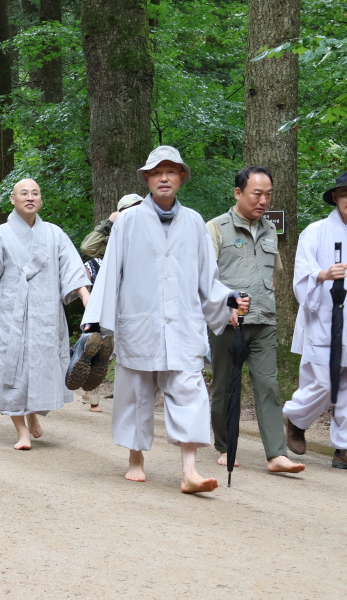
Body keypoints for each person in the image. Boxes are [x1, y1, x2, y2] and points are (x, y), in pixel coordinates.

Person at [81, 145, 250, 494]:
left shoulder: (194, 223)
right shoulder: (127, 221)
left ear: (181, 178)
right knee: (136, 394)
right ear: (147, 178)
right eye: (157, 172)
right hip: (139, 321)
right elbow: (110, 272)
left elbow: (207, 276)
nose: (163, 178)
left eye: (171, 172)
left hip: (183, 324)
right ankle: (135, 459)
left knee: (190, 392)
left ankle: (189, 471)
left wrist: (227, 298)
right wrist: (95, 320)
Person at [0, 179, 91, 449]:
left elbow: (72, 269)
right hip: (11, 315)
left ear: (40, 200)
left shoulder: (54, 234)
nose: (30, 197)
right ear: (13, 200)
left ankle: (33, 415)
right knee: (13, 368)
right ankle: (21, 431)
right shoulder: (0, 235)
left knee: (43, 367)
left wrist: (88, 301)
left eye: (35, 193)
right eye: (24, 193)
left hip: (47, 314)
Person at [207, 166, 305, 474]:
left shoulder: (268, 229)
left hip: (263, 321)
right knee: (224, 387)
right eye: (256, 194)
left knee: (268, 386)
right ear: (238, 193)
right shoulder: (216, 228)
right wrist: (226, 305)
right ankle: (225, 446)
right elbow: (205, 278)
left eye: (268, 195)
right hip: (227, 322)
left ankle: (276, 454)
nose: (263, 200)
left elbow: (272, 274)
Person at [285, 171, 347, 469]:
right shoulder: (316, 231)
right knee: (324, 382)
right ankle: (296, 418)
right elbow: (301, 277)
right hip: (323, 317)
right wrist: (324, 274)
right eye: (346, 194)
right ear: (336, 197)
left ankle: (344, 447)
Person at [79, 193, 142, 412]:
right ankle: (92, 395)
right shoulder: (111, 236)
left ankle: (134, 398)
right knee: (100, 345)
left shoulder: (148, 232)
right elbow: (88, 247)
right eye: (130, 209)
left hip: (136, 296)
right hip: (109, 295)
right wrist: (109, 222)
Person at [80, 193, 143, 260]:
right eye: (131, 210)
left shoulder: (153, 231)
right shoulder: (118, 242)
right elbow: (88, 248)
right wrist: (108, 223)